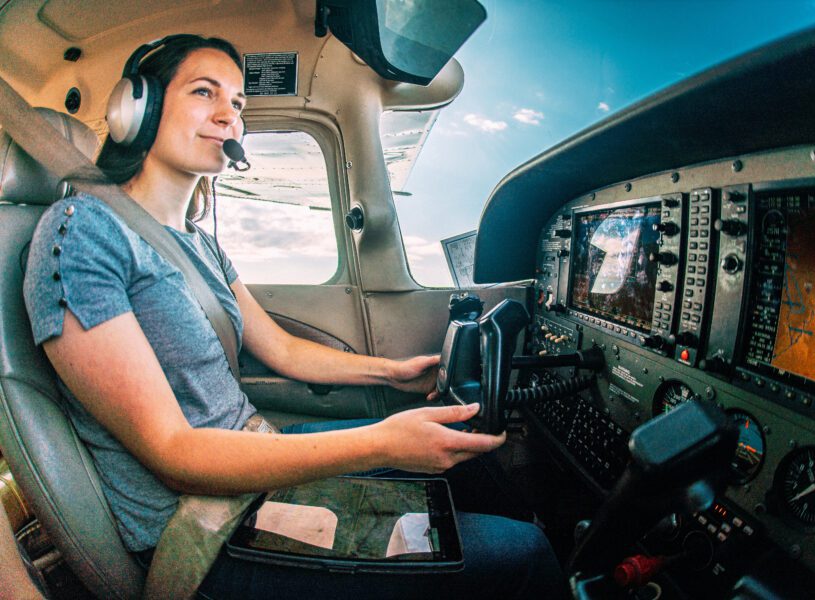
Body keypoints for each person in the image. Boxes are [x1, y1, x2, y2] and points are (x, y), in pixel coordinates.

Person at [23, 34, 566, 598]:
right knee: (523, 556)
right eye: (204, 92)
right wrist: (382, 442)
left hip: (248, 459)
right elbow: (175, 455)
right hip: (198, 529)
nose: (228, 117)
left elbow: (280, 350)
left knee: (468, 466)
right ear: (137, 107)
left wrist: (391, 371)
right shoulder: (81, 234)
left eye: (237, 103)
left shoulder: (199, 244)